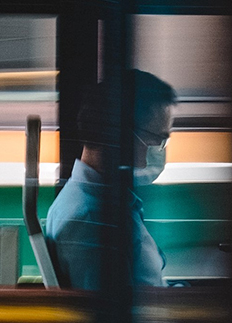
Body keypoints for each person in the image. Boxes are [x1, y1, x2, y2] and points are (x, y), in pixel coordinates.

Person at [46, 70, 176, 291]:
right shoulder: (90, 221)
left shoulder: (105, 203)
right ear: (120, 136)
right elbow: (113, 316)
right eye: (157, 139)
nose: (159, 150)